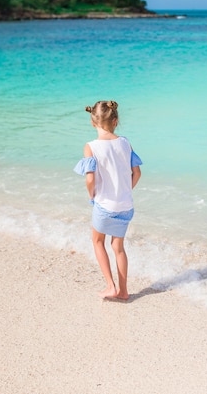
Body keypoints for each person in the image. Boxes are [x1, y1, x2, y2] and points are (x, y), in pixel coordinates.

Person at [74, 100, 142, 300]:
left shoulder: (91, 147)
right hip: (125, 205)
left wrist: (91, 194)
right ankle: (124, 291)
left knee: (97, 241)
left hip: (105, 205)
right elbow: (136, 172)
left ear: (92, 123)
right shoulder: (125, 142)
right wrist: (125, 190)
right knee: (118, 247)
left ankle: (110, 286)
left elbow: (90, 178)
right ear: (116, 120)